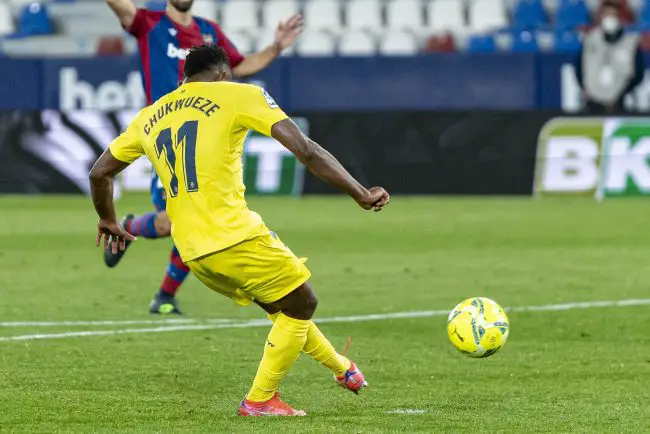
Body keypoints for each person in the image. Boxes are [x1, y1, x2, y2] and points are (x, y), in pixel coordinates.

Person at [89, 45, 390, 416]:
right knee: (303, 302)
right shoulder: (238, 95)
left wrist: (107, 219)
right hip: (233, 235)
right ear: (223, 74)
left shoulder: (150, 116)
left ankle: (343, 369)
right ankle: (260, 400)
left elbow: (99, 172)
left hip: (193, 252)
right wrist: (360, 193)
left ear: (185, 75)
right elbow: (306, 150)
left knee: (283, 306)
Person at [104, 0, 303, 314]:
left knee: (188, 222)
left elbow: (239, 66)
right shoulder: (149, 23)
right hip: (168, 135)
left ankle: (160, 288)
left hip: (205, 133)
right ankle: (159, 285)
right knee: (178, 222)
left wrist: (276, 46)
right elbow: (121, 7)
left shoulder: (209, 31)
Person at [574, 0, 645, 114]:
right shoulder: (590, 40)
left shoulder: (630, 43)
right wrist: (588, 89)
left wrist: (623, 92)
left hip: (619, 104)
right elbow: (579, 68)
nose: (609, 19)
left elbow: (638, 73)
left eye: (613, 15)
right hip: (593, 104)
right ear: (600, 17)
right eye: (606, 14)